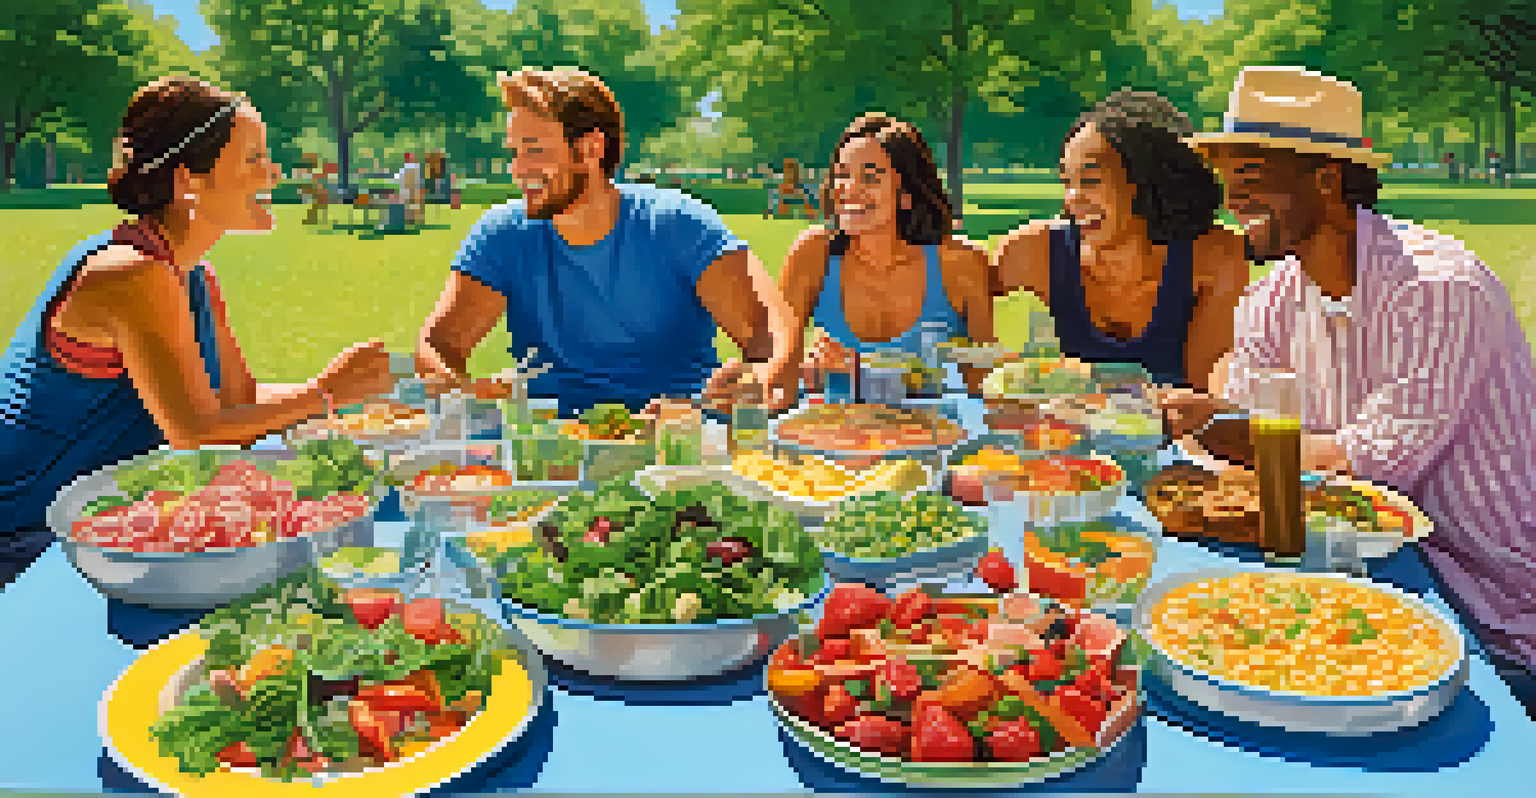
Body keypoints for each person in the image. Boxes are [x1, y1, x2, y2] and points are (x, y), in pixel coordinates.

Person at [1161, 65, 1536, 678]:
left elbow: (1367, 463)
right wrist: (1207, 414)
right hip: (1360, 577)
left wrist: (1212, 425)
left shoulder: (1437, 288)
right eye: (1228, 182)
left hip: (1490, 611)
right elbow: (1241, 416)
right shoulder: (1274, 296)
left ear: (1328, 180)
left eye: (1251, 179)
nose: (1232, 204)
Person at [0, 76, 392, 587]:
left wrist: (342, 397)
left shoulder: (193, 275)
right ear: (189, 180)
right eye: (253, 159)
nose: (273, 173)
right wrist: (325, 395)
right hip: (27, 535)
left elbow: (238, 400)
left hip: (93, 523)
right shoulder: (130, 273)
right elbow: (197, 431)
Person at [415, 69, 796, 415]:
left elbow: (769, 329)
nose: (518, 169)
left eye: (534, 150)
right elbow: (440, 345)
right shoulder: (502, 235)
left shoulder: (677, 223)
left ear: (591, 149)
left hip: (677, 443)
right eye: (515, 152)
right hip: (552, 447)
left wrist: (761, 379)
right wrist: (460, 394)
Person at [990, 90, 1249, 391]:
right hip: (1062, 434)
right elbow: (1000, 379)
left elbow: (1203, 396)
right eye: (1066, 182)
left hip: (1178, 434)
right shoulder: (1030, 253)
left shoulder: (1217, 256)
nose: (1071, 201)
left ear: (1147, 181)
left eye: (1090, 181)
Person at [775, 113, 994, 392]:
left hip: (937, 431)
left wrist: (863, 369)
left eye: (870, 177)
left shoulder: (962, 263)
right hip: (830, 429)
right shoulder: (813, 252)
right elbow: (779, 366)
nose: (849, 189)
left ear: (907, 194)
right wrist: (789, 374)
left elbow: (985, 376)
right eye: (842, 175)